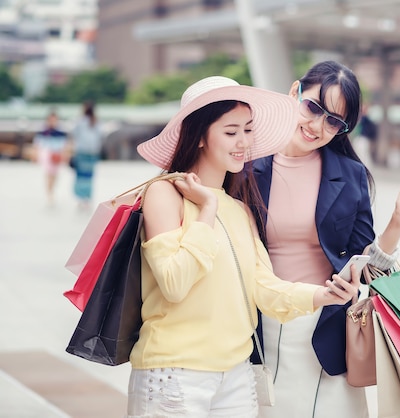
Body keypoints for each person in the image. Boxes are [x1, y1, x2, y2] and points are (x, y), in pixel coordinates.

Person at [129, 75, 360, 418]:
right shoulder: (164, 194)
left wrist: (322, 296)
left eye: (248, 130)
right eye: (230, 131)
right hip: (175, 374)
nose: (243, 142)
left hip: (237, 377)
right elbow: (174, 284)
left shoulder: (239, 210)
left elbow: (262, 289)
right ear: (201, 135)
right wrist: (206, 209)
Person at [249, 61, 400, 418]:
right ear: (294, 92)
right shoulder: (245, 162)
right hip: (257, 326)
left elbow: (366, 268)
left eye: (333, 121)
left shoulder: (349, 174)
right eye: (313, 107)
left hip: (325, 327)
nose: (317, 126)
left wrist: (399, 221)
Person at [71, 101, 104, 210]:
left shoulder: (80, 121)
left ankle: (80, 197)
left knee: (80, 176)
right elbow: (100, 137)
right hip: (92, 153)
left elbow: (74, 134)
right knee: (89, 177)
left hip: (81, 152)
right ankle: (87, 198)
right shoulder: (96, 122)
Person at [32, 109, 69, 206]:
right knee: (48, 174)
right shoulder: (43, 131)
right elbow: (37, 144)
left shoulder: (60, 131)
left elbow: (64, 145)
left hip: (57, 154)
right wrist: (35, 155)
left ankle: (51, 190)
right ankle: (49, 193)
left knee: (55, 175)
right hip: (46, 154)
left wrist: (64, 155)